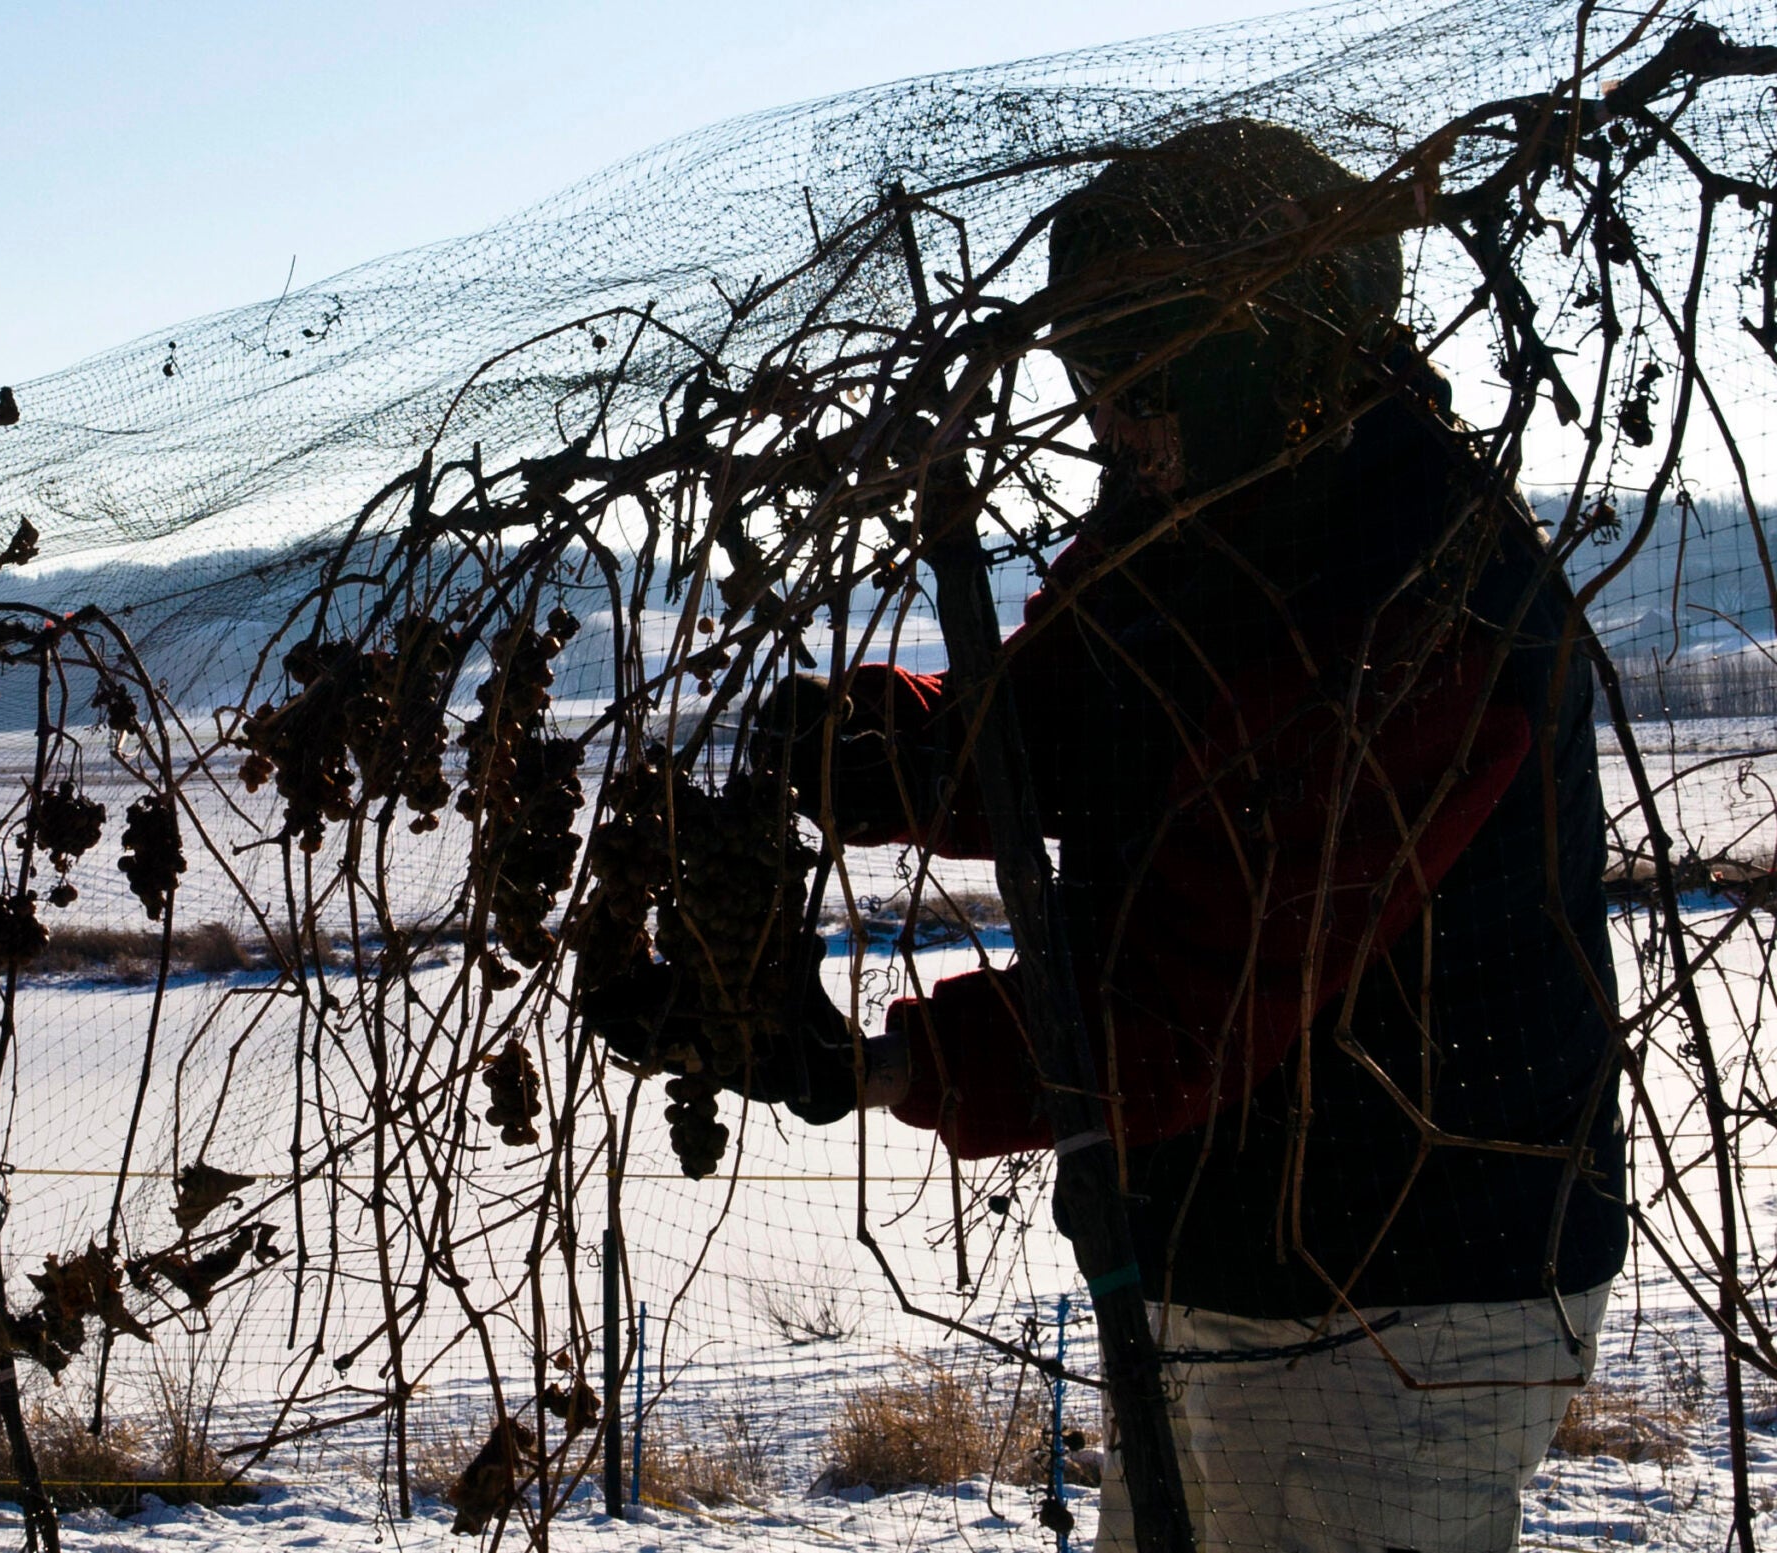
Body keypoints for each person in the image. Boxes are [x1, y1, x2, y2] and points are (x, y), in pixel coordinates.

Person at [592, 119, 1626, 1552]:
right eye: (1089, 376)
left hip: (1416, 1284)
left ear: (1252, 349)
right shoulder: (1198, 522)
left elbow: (1189, 993)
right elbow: (1045, 734)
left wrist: (874, 1064)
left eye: (1138, 375)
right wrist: (853, 747)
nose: (1104, 424)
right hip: (1222, 1251)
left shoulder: (1422, 599)